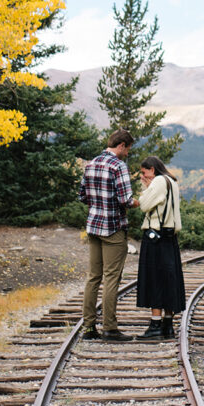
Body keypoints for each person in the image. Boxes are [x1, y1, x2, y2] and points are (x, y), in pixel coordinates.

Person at [78, 129, 138, 341]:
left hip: (93, 227)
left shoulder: (91, 163)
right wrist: (140, 202)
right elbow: (126, 200)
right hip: (113, 227)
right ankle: (110, 328)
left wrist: (98, 205)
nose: (128, 153)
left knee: (93, 277)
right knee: (112, 277)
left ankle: (88, 327)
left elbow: (82, 196)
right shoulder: (118, 166)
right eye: (128, 148)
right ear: (121, 145)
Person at [135, 156, 186, 339]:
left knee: (154, 280)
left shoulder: (157, 181)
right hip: (170, 237)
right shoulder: (172, 181)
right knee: (169, 279)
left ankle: (155, 325)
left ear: (152, 170)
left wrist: (145, 187)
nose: (143, 176)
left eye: (144, 172)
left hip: (155, 236)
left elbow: (144, 205)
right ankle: (168, 324)